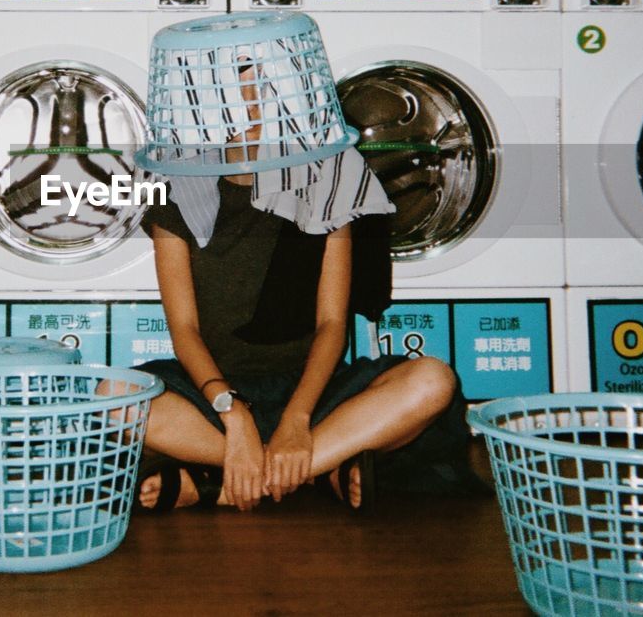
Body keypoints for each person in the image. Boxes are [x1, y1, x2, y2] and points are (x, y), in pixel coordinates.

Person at [134, 25, 462, 513]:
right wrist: (234, 414)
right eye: (240, 76)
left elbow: (332, 323)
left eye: (268, 78)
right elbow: (183, 329)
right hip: (212, 388)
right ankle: (313, 470)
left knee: (433, 381)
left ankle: (223, 484)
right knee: (117, 398)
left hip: (315, 386)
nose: (255, 91)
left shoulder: (326, 179)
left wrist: (297, 420)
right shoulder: (174, 186)